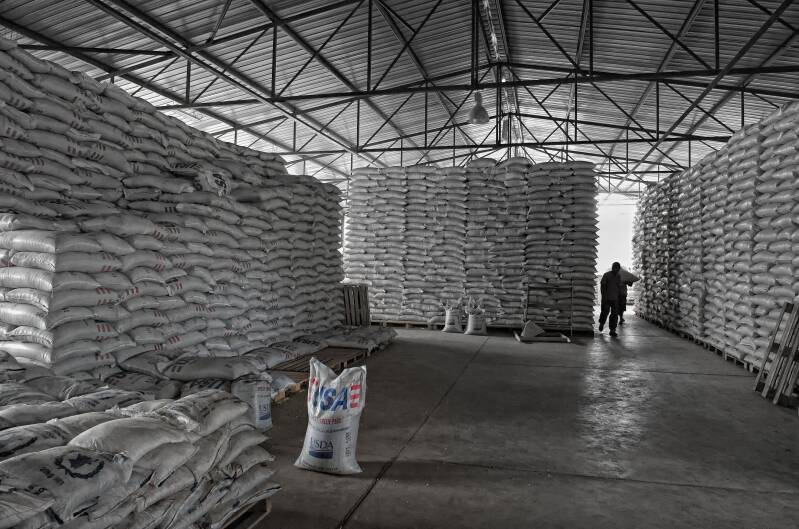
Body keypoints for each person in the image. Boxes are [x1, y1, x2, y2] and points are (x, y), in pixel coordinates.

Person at [599, 262, 623, 336]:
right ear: (612, 268)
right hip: (606, 298)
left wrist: (619, 296)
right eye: (615, 268)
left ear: (619, 269)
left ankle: (612, 330)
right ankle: (602, 323)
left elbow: (619, 287)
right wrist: (604, 296)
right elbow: (602, 286)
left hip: (615, 299)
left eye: (617, 268)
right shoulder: (606, 275)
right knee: (604, 312)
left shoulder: (618, 276)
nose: (616, 270)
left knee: (614, 315)